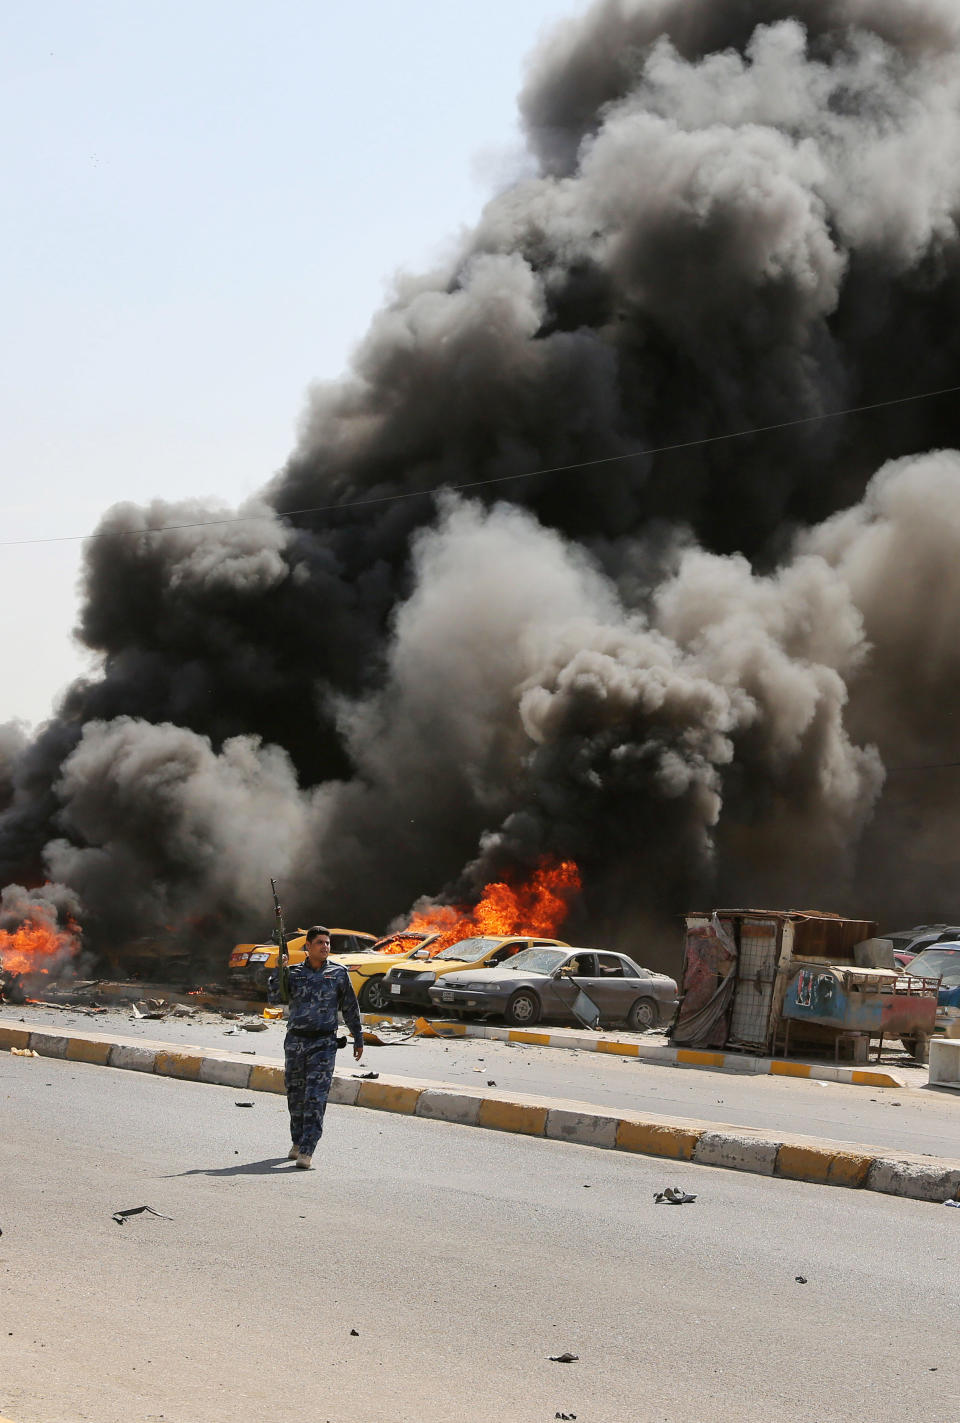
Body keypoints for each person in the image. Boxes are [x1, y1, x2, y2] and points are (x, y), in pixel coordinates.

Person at [267, 924, 363, 1169]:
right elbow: (274, 997)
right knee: (295, 1095)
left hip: (324, 1042)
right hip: (296, 1041)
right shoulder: (294, 973)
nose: (325, 947)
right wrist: (280, 969)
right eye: (320, 942)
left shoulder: (339, 973)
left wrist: (358, 1036)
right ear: (308, 946)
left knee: (315, 1097)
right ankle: (297, 1142)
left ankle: (308, 1150)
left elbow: (350, 1007)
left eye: (328, 943)